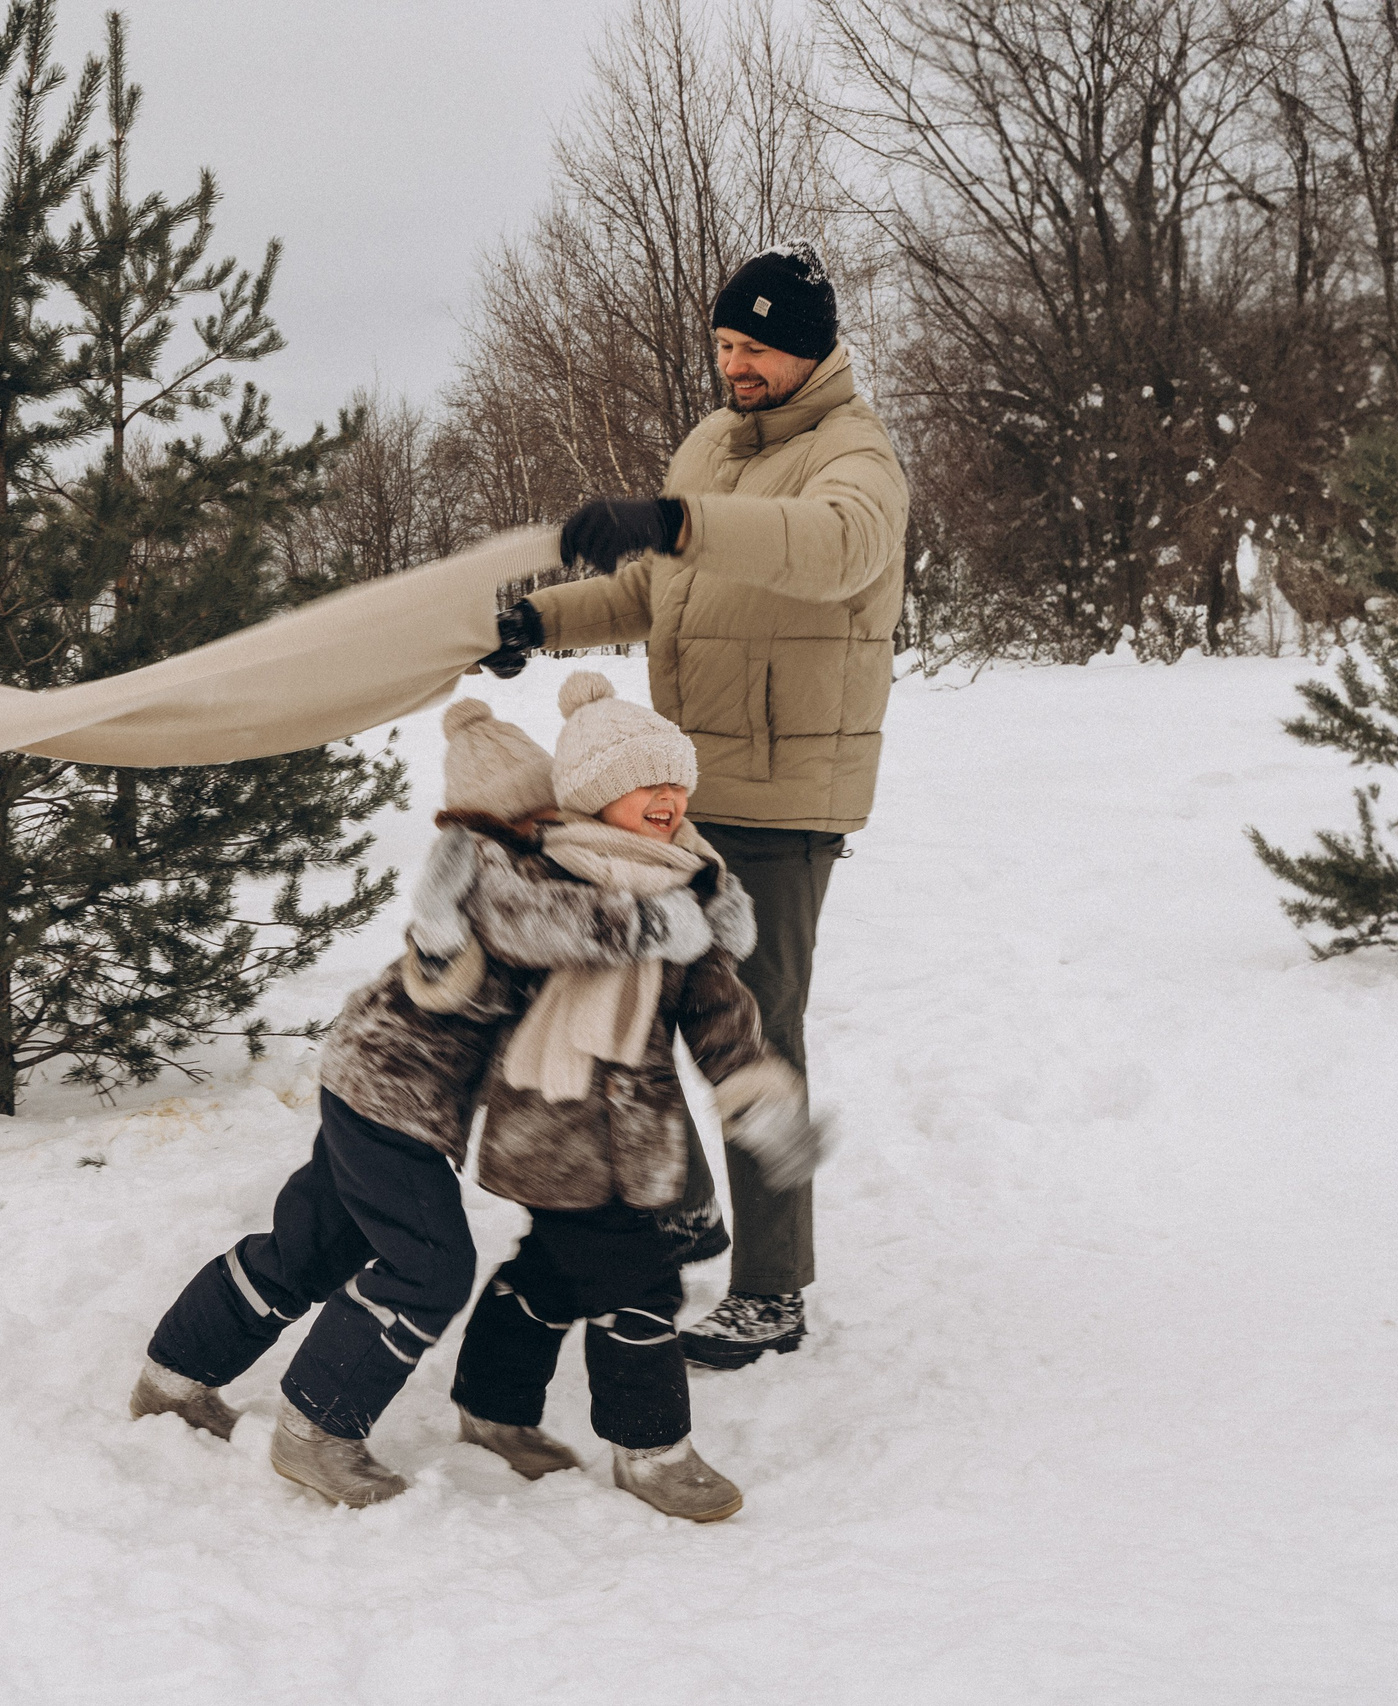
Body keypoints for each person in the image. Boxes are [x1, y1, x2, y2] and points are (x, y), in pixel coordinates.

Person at [127, 698, 728, 1507]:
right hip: (395, 1098)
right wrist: (664, 921)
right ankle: (318, 1430)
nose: (551, 828)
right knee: (430, 1267)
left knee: (312, 1244)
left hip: (369, 1080)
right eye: (539, 814)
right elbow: (547, 927)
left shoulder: (527, 864)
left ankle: (172, 1376)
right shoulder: (489, 868)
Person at [481, 242, 909, 1368]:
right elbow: (649, 582)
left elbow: (826, 552)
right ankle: (689, 1210)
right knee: (649, 1006)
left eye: (756, 345)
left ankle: (772, 1286)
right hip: (676, 791)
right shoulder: (711, 444)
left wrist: (678, 520)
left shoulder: (854, 456)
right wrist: (543, 619)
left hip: (781, 797)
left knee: (753, 1031)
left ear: (808, 346)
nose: (735, 365)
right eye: (724, 344)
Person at [439, 673, 822, 1522]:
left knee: (551, 1269)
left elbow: (718, 1010)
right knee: (641, 1285)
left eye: (677, 780)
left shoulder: (691, 886)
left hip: (632, 1132)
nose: (669, 797)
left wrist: (754, 1090)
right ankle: (653, 1451)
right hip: (553, 1122)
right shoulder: (544, 876)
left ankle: (491, 1405)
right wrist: (639, 923)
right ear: (596, 792)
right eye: (646, 781)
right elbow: (508, 933)